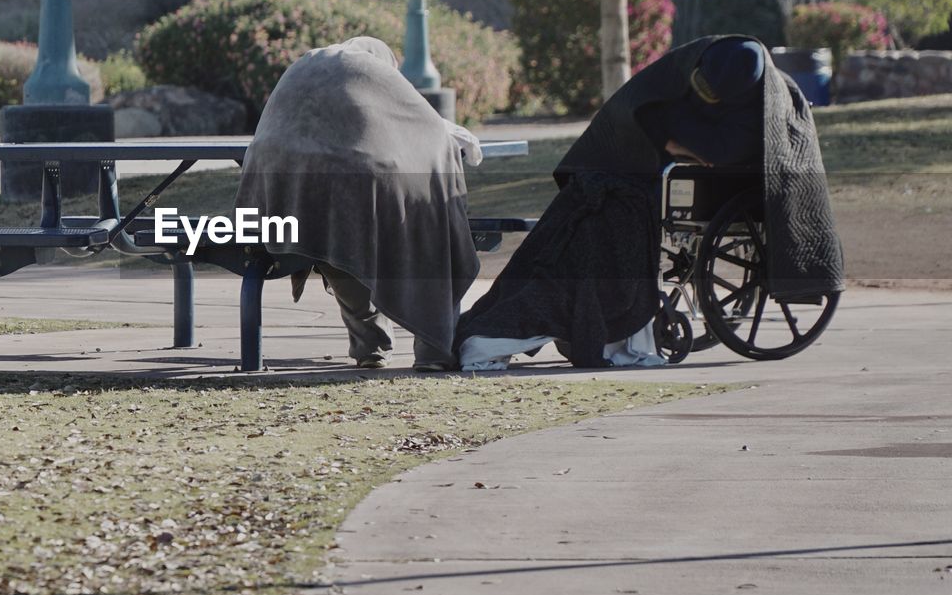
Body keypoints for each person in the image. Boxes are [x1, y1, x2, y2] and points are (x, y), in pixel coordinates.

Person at [456, 35, 844, 371]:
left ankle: (518, 327)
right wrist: (673, 145)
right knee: (561, 239)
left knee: (590, 238)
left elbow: (723, 151)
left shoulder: (764, 107)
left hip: (644, 182)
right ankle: (499, 326)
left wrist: (678, 146)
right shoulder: (691, 67)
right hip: (622, 171)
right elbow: (646, 115)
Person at [235, 36, 482, 370]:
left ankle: (371, 346)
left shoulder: (310, 65)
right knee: (428, 228)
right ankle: (434, 351)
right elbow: (426, 128)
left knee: (333, 238)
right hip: (355, 193)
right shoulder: (372, 72)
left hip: (280, 199)